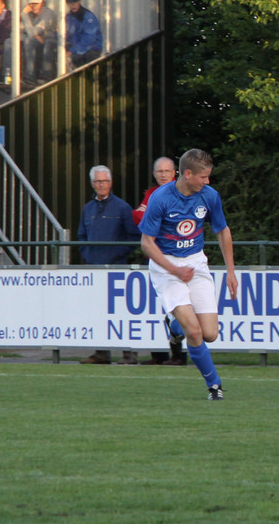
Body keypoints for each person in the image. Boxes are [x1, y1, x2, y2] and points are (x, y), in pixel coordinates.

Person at [140, 148, 239, 400]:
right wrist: (174, 269)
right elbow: (147, 243)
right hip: (166, 266)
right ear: (187, 174)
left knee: (209, 334)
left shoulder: (209, 196)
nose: (207, 181)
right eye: (203, 177)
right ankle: (214, 386)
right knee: (194, 332)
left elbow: (222, 230)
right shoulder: (161, 198)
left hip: (196, 262)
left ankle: (174, 326)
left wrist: (231, 271)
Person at [77, 165, 141, 365]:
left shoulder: (122, 207)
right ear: (92, 184)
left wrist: (115, 254)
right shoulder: (87, 209)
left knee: (121, 312)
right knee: (97, 310)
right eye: (97, 181)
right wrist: (87, 255)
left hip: (117, 269)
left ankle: (129, 354)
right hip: (94, 269)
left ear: (111, 183)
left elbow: (134, 237)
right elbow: (81, 236)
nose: (101, 185)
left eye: (104, 181)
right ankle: (101, 352)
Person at [134, 155, 187, 366]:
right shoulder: (151, 193)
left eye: (167, 171)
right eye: (159, 171)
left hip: (177, 257)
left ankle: (179, 355)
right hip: (156, 259)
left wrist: (154, 218)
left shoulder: (181, 191)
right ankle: (159, 355)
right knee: (157, 309)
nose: (163, 175)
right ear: (154, 174)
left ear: (174, 172)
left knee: (177, 306)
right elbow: (137, 217)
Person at [19, 0, 58, 85]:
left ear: (42, 3)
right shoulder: (29, 14)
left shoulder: (47, 14)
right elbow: (16, 33)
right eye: (31, 4)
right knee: (9, 41)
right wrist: (33, 35)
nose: (33, 6)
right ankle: (8, 76)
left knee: (30, 41)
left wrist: (24, 15)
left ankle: (33, 77)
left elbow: (34, 32)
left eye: (36, 4)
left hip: (49, 40)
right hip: (36, 40)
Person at [64, 0, 103, 69]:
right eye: (70, 2)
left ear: (80, 1)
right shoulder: (68, 17)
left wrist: (71, 51)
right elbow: (66, 34)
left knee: (70, 60)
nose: (73, 5)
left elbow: (88, 40)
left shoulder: (87, 16)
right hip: (76, 47)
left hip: (90, 49)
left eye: (75, 1)